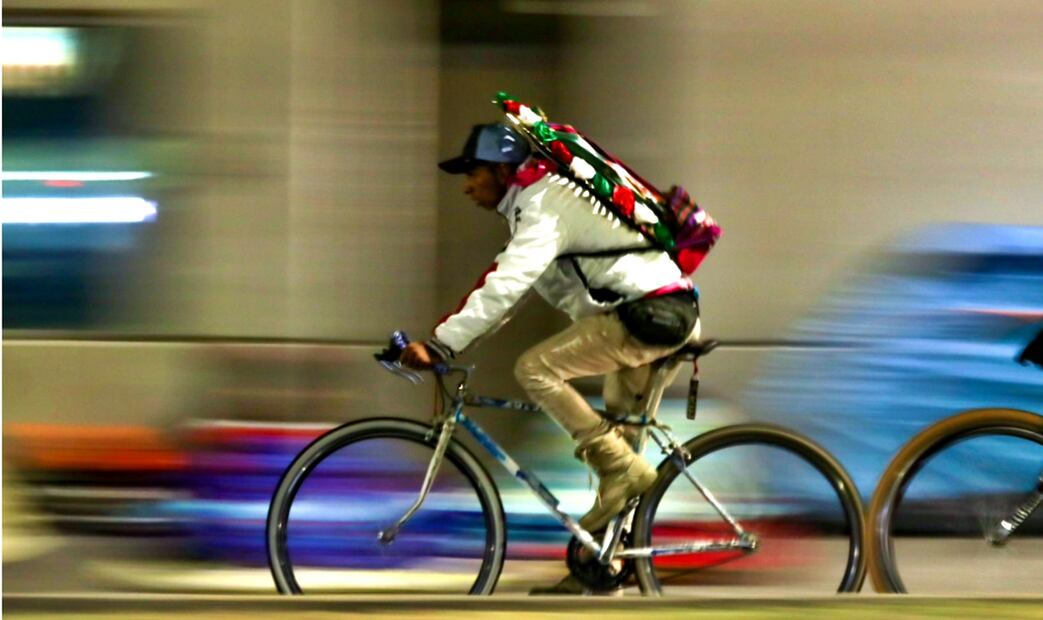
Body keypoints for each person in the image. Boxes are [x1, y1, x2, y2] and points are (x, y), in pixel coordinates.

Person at [400, 122, 703, 594]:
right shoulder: (536, 205)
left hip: (653, 314)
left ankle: (621, 475)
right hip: (652, 312)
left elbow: (506, 285)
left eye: (473, 172)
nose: (466, 186)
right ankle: (601, 572)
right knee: (618, 450)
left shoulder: (543, 203)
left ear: (502, 169)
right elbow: (523, 290)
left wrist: (442, 344)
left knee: (536, 370)